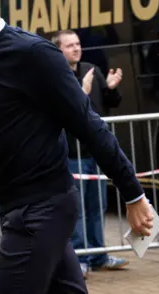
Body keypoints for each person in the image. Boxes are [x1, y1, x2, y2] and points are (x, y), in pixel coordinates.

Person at [0, 0, 153, 293]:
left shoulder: (33, 54)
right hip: (16, 210)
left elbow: (89, 125)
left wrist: (133, 193)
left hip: (40, 210)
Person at [52, 29, 128, 277]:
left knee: (97, 205)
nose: (76, 48)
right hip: (71, 153)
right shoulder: (55, 76)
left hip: (94, 152)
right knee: (77, 209)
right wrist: (81, 92)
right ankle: (79, 258)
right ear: (58, 50)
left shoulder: (90, 68)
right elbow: (63, 111)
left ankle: (98, 255)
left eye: (78, 44)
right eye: (69, 45)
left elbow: (109, 103)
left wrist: (111, 89)